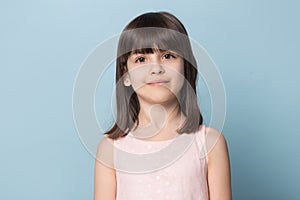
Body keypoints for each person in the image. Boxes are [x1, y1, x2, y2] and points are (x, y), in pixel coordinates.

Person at [94, 11, 231, 200]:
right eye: (141, 59)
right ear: (125, 75)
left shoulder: (209, 143)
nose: (156, 68)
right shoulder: (111, 149)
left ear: (186, 67)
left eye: (168, 56)